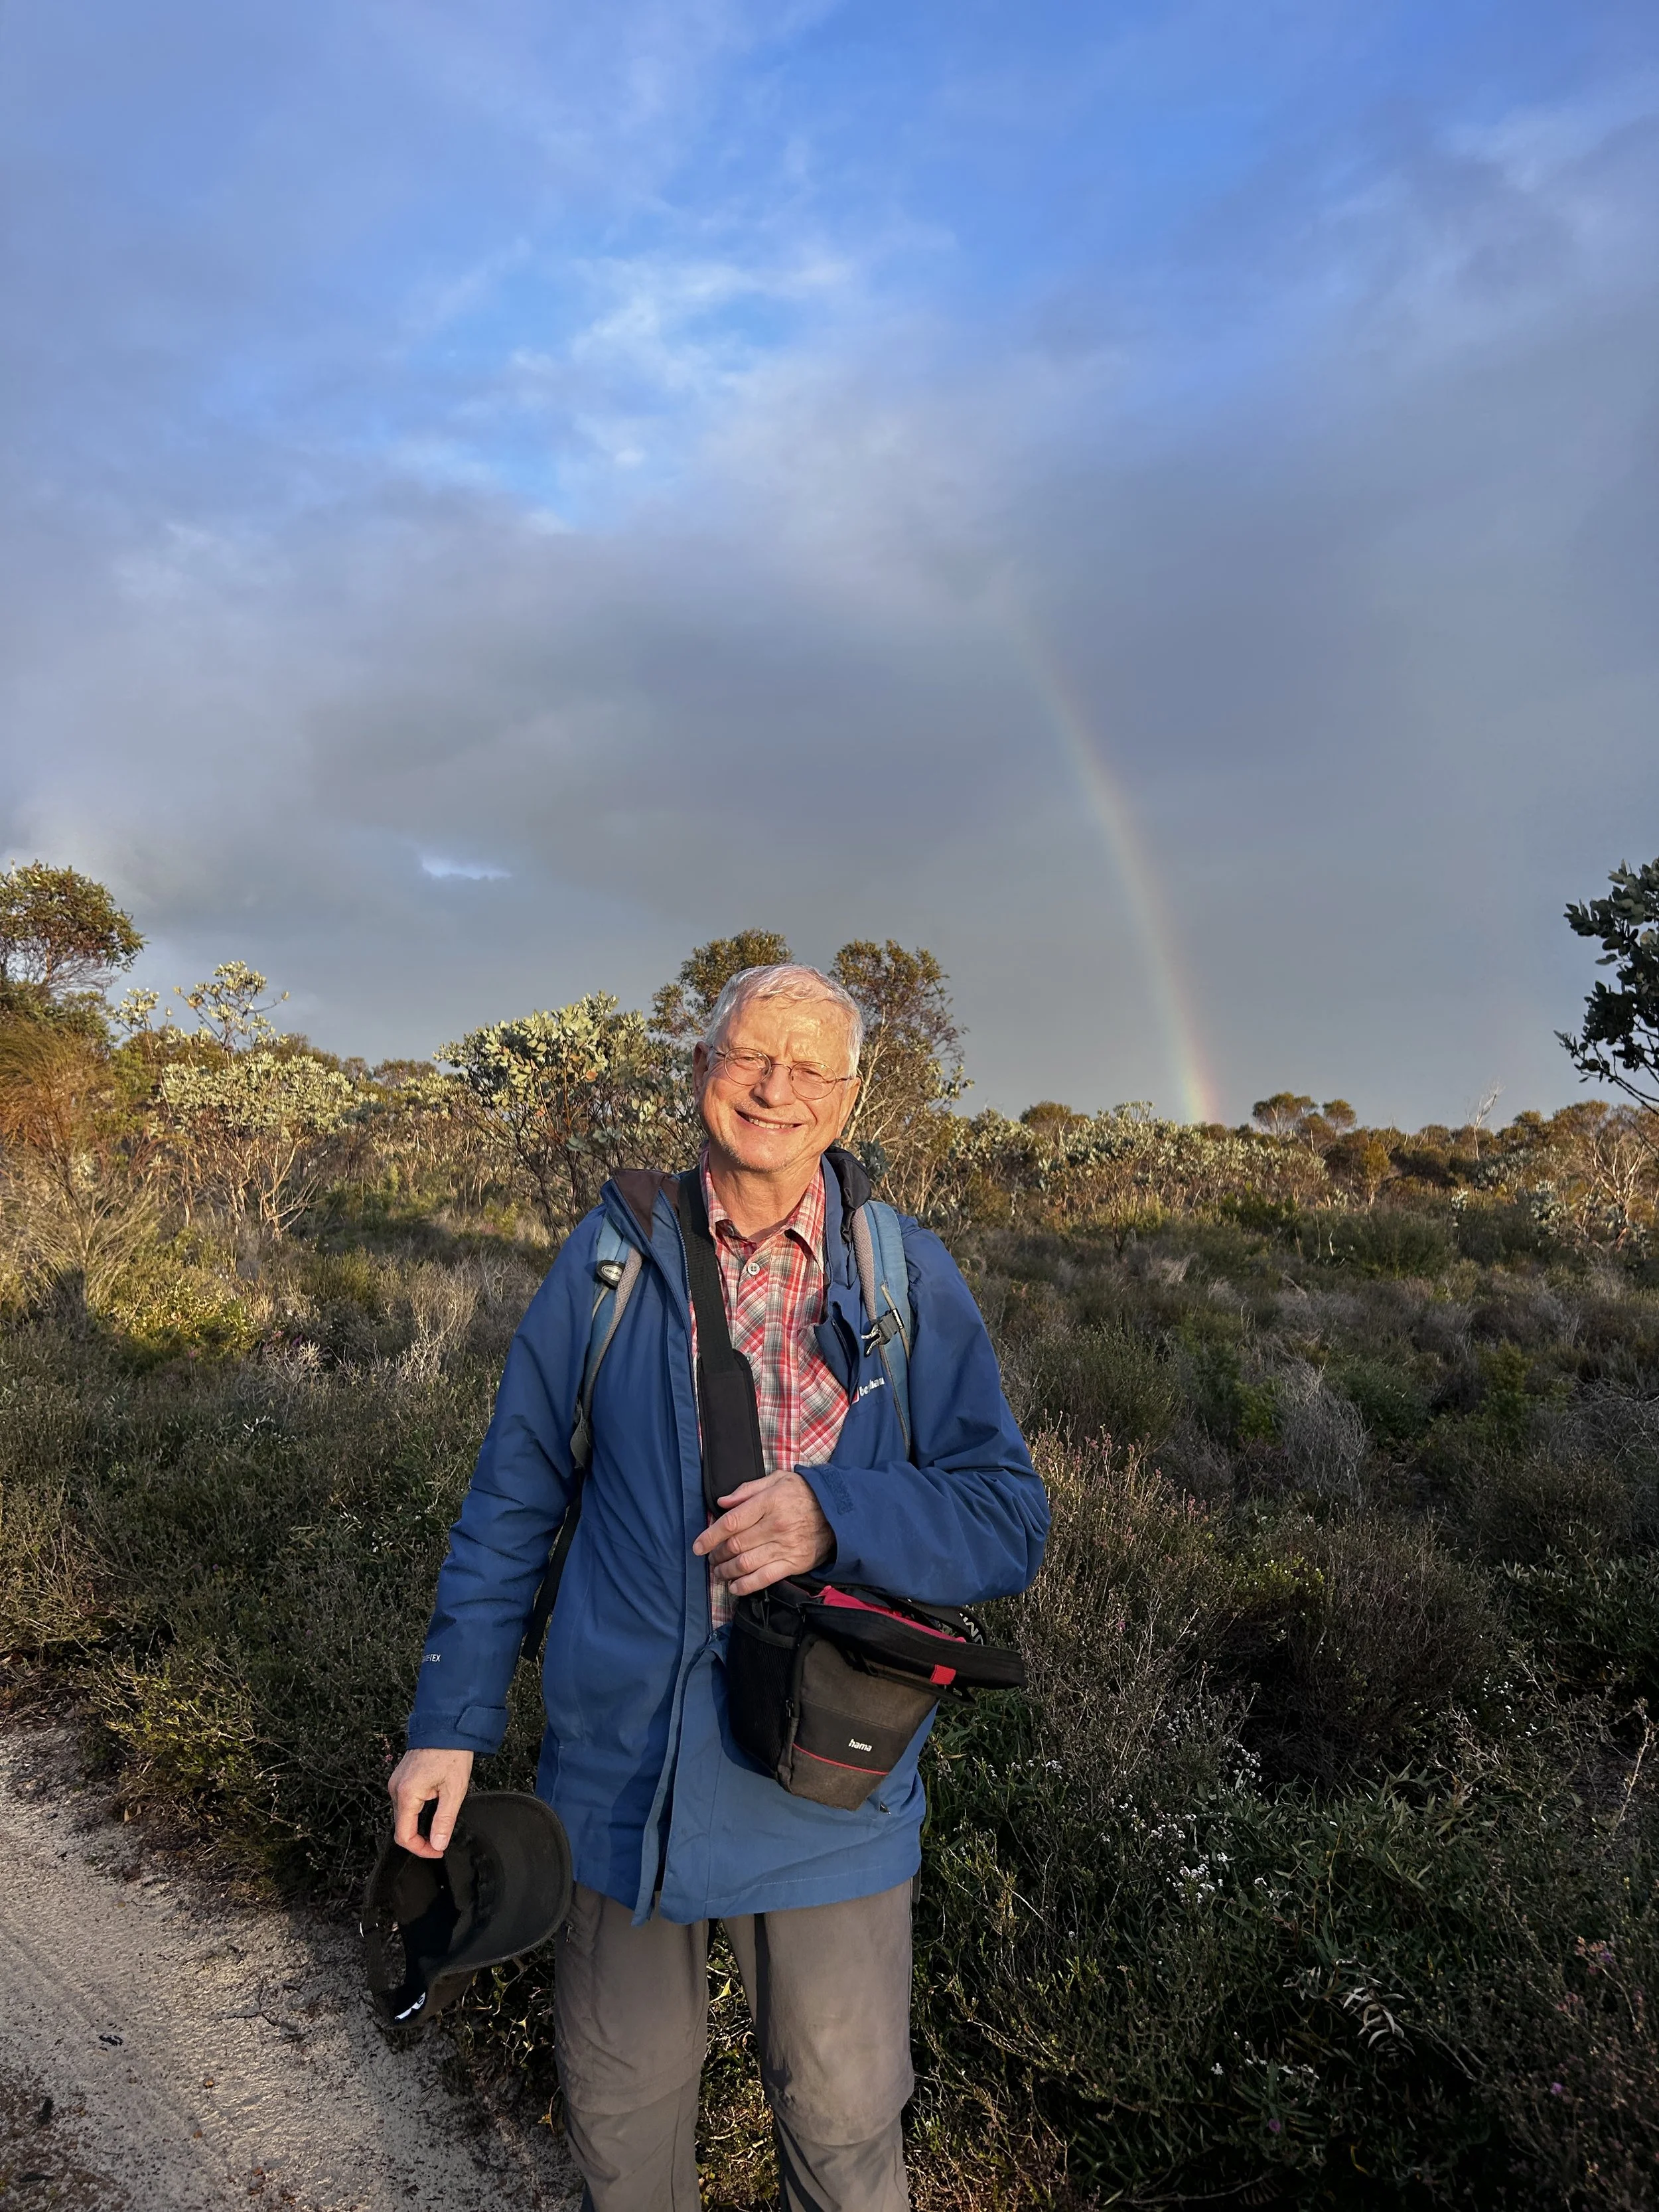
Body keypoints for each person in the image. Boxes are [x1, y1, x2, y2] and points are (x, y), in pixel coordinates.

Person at [390, 963, 1046, 2212]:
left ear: (849, 1102)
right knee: (620, 2113)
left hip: (827, 1785)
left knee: (844, 2128)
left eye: (811, 1069)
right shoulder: (609, 1264)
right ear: (702, 1073)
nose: (775, 1089)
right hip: (619, 1776)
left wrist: (833, 1512)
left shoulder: (904, 1279)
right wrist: (449, 1727)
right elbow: (511, 1503)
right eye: (752, 1056)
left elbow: (1009, 1516)